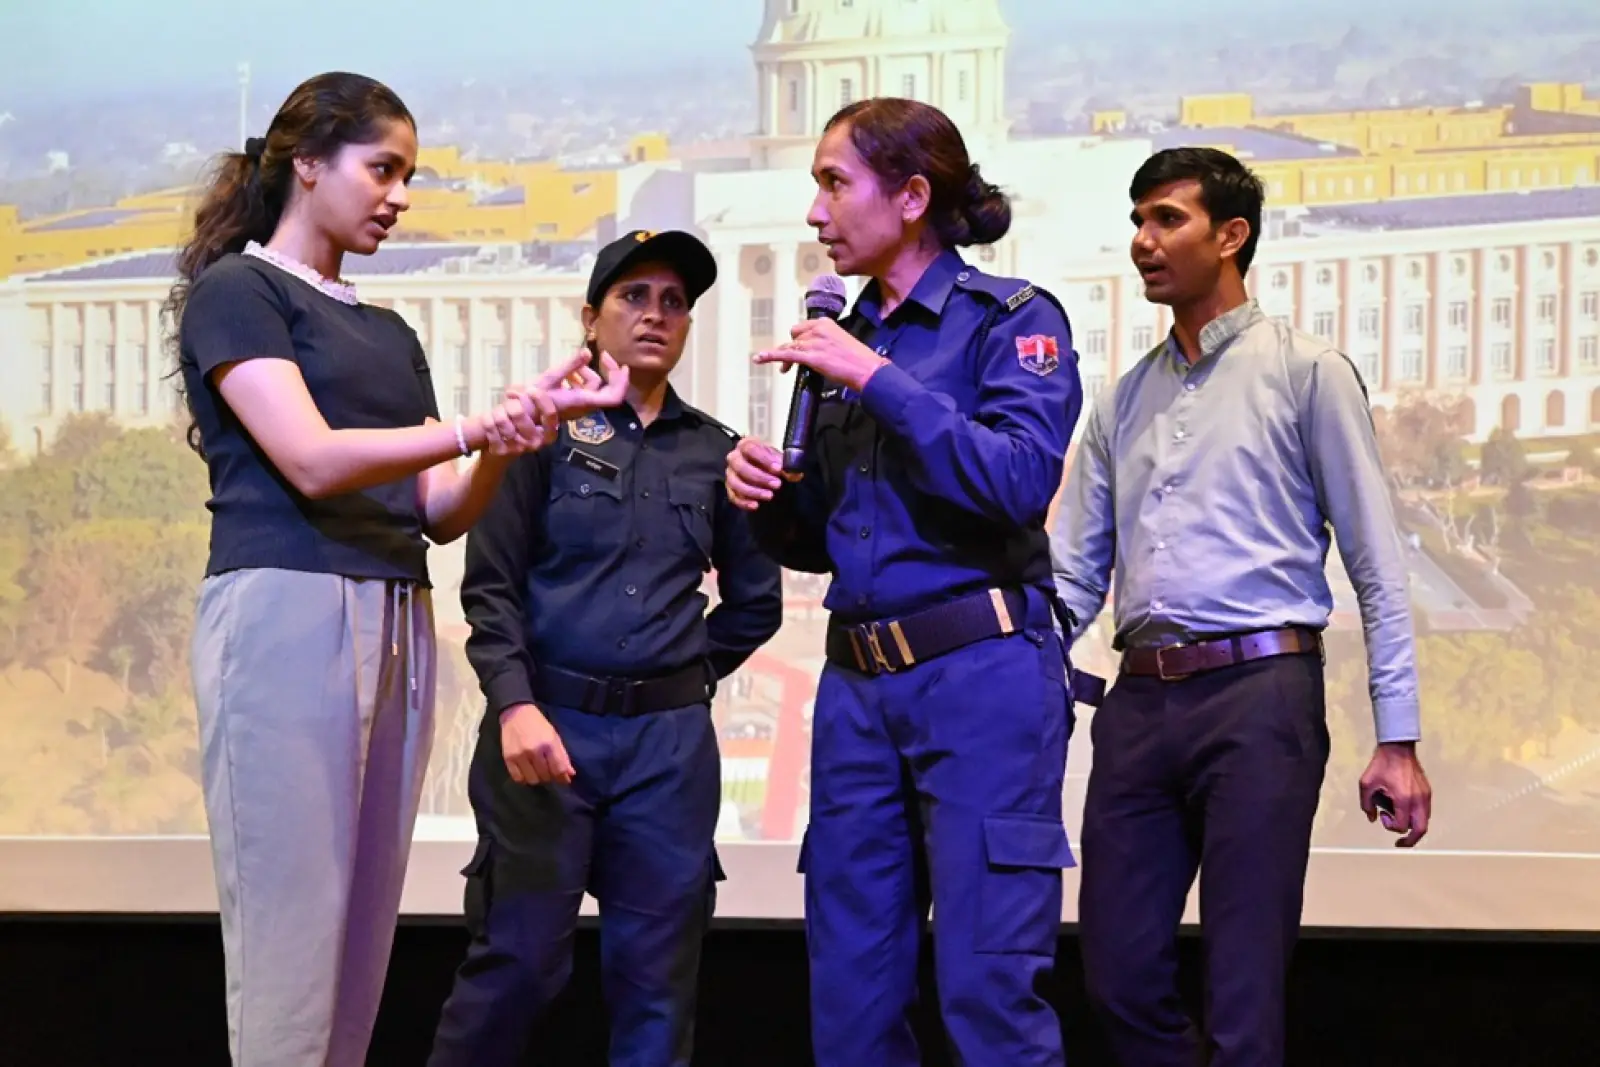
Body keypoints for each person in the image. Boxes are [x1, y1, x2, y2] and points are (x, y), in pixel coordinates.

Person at [168, 71, 629, 1067]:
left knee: (359, 935)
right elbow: (308, 457)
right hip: (286, 605)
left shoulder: (387, 330)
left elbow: (440, 510)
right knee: (293, 927)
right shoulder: (238, 291)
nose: (399, 195)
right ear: (307, 164)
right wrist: (464, 424)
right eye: (382, 168)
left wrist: (511, 436)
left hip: (396, 612)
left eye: (407, 174)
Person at [1050, 145, 1435, 1067]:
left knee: (1244, 990)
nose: (1143, 241)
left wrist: (1399, 737)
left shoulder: (1307, 372)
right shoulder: (1120, 399)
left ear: (1232, 236)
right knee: (1117, 977)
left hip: (1262, 695)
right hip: (1138, 705)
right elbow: (1071, 579)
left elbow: (1378, 567)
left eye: (1167, 220)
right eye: (1137, 220)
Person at [725, 97, 1085, 1067]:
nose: (813, 211)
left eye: (833, 183)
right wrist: (764, 496)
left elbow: (1017, 480)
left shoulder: (1008, 321)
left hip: (979, 677)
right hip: (856, 692)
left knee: (988, 994)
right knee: (850, 1003)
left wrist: (877, 380)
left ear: (913, 195)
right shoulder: (839, 336)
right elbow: (826, 537)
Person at [427, 229, 785, 1067]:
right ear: (592, 317)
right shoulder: (538, 435)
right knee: (514, 970)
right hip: (546, 730)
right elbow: (490, 588)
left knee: (657, 988)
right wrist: (515, 703)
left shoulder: (718, 451)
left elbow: (754, 604)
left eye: (674, 302)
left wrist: (680, 673)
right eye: (633, 297)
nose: (655, 315)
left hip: (667, 751)